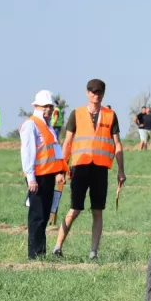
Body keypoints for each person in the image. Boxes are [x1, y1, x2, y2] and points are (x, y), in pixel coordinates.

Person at [53, 78, 125, 261]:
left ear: (103, 94)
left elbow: (117, 144)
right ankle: (57, 247)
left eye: (99, 92)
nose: (96, 95)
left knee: (97, 211)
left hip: (100, 169)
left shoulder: (110, 115)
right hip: (79, 167)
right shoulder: (76, 114)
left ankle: (93, 252)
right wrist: (61, 169)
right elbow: (67, 142)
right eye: (93, 92)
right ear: (87, 93)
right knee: (74, 210)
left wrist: (121, 170)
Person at [20, 90, 67, 260]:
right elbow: (27, 153)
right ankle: (34, 255)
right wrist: (31, 178)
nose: (48, 109)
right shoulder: (31, 124)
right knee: (37, 216)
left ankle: (41, 253)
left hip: (48, 176)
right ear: (36, 106)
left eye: (50, 106)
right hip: (37, 178)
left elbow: (54, 151)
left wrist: (59, 172)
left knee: (45, 215)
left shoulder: (48, 126)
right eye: (45, 106)